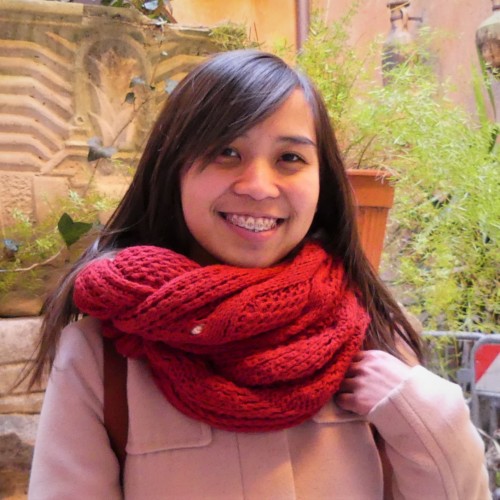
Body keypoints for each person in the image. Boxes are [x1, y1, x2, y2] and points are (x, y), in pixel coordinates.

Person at [27, 50, 489, 499]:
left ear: (323, 181)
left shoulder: (372, 335)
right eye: (226, 152)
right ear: (173, 172)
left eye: (290, 158)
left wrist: (424, 411)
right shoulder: (100, 358)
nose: (258, 187)